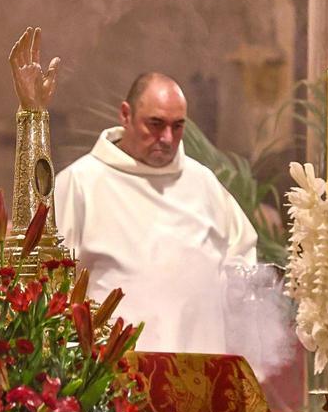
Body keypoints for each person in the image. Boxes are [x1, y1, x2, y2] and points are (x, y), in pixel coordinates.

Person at [53, 72, 257, 354]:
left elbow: (243, 263)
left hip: (198, 367)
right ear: (126, 115)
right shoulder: (80, 183)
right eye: (156, 124)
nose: (167, 138)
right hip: (114, 374)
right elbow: (54, 283)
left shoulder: (205, 184)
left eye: (178, 126)